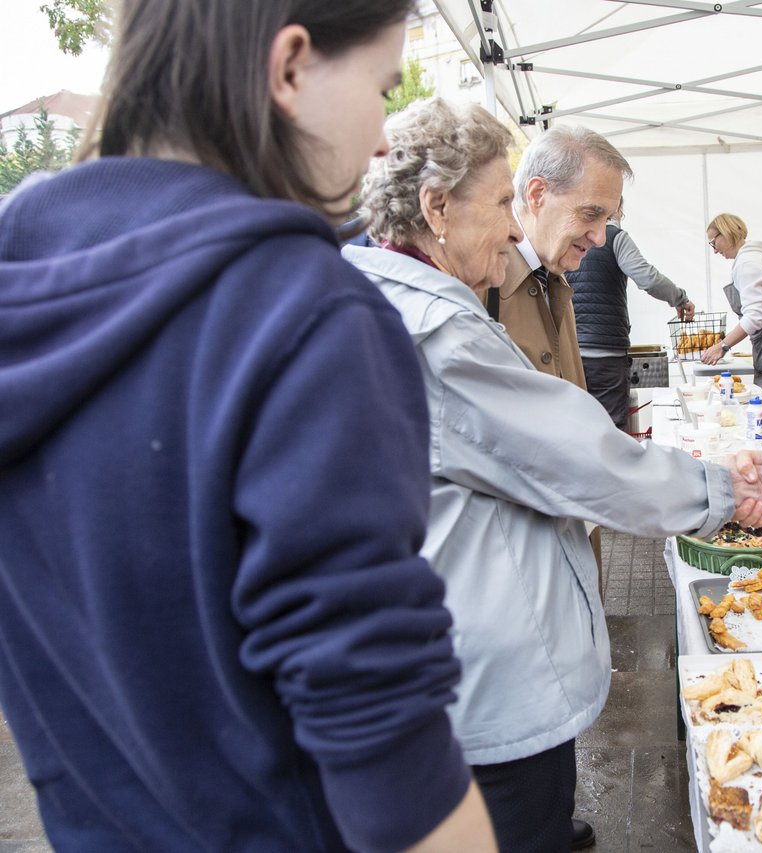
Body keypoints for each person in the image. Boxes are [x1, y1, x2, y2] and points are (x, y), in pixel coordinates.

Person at [0, 3, 494, 852]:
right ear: (290, 67)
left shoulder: (21, 274)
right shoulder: (304, 310)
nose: (382, 141)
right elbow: (381, 734)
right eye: (382, 87)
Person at [345, 98, 762, 853]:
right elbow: (577, 455)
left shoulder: (379, 292)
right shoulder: (440, 326)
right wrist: (718, 490)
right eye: (498, 203)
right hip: (483, 669)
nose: (515, 224)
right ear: (436, 207)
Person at [487, 125, 629, 392]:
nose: (600, 238)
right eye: (590, 214)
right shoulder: (481, 279)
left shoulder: (553, 275)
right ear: (537, 194)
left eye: (607, 219)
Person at [566, 197, 696, 428]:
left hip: (571, 354)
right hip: (606, 354)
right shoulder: (615, 237)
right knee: (612, 429)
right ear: (617, 211)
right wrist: (680, 298)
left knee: (578, 427)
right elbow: (648, 279)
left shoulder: (569, 238)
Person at [700, 213, 762, 408]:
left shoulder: (748, 262)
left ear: (725, 233)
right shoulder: (753, 257)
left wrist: (722, 346)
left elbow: (755, 317)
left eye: (713, 242)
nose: (714, 250)